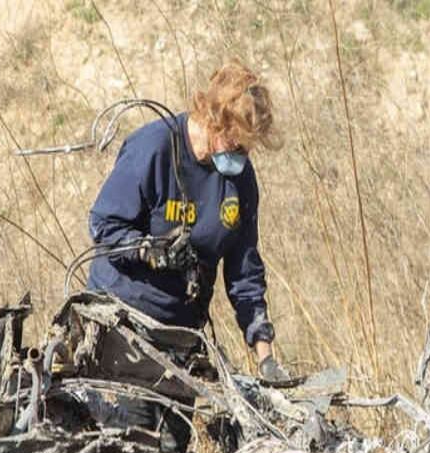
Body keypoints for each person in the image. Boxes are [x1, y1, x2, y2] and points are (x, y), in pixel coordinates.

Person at [87, 62, 290, 383]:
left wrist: (265, 357)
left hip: (180, 335)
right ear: (215, 121)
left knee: (175, 417)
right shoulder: (153, 148)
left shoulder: (240, 180)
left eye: (247, 150)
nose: (240, 156)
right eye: (235, 146)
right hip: (121, 324)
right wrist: (150, 251)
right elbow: (104, 226)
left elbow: (244, 271)